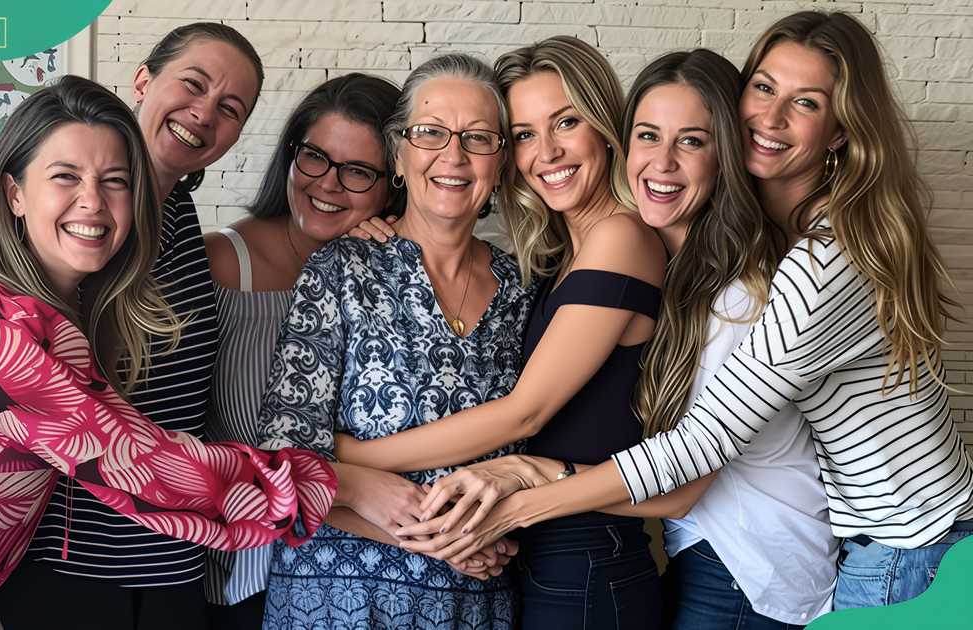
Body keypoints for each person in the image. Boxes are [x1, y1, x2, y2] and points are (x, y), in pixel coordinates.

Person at [396, 11, 973, 614]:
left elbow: (696, 454)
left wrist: (518, 487)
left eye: (805, 102)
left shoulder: (794, 272)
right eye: (765, 88)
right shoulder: (716, 259)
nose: (771, 119)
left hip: (882, 544)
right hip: (802, 542)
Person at [0, 75, 335, 620]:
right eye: (65, 177)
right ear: (15, 193)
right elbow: (139, 463)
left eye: (115, 181)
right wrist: (328, 484)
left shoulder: (56, 303)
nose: (93, 202)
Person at [338, 36, 669, 630]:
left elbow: (524, 414)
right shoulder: (552, 259)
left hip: (588, 562)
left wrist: (350, 457)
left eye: (566, 122)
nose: (547, 152)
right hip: (537, 561)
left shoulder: (620, 239)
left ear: (605, 128)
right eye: (523, 134)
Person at [0, 23, 268, 630]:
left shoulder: (180, 213)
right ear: (142, 80)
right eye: (192, 84)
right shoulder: (79, 229)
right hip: (76, 567)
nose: (203, 114)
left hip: (174, 561)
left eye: (230, 108)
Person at [257, 53, 533, 629]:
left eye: (478, 139)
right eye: (430, 133)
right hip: (336, 599)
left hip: (473, 601)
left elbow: (528, 450)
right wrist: (426, 535)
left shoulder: (523, 290)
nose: (453, 156)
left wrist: (505, 523)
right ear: (400, 156)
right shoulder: (341, 268)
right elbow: (285, 455)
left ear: (502, 163)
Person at [625, 50, 835, 629]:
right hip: (712, 554)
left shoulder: (737, 298)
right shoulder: (665, 268)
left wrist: (526, 487)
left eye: (692, 141)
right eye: (648, 135)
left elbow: (682, 484)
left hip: (750, 567)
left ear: (725, 158)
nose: (662, 162)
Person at [200, 72, 403, 628]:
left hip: (356, 579)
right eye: (315, 156)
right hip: (241, 576)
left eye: (358, 172)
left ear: (393, 185)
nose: (329, 185)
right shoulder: (221, 263)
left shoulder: (395, 277)